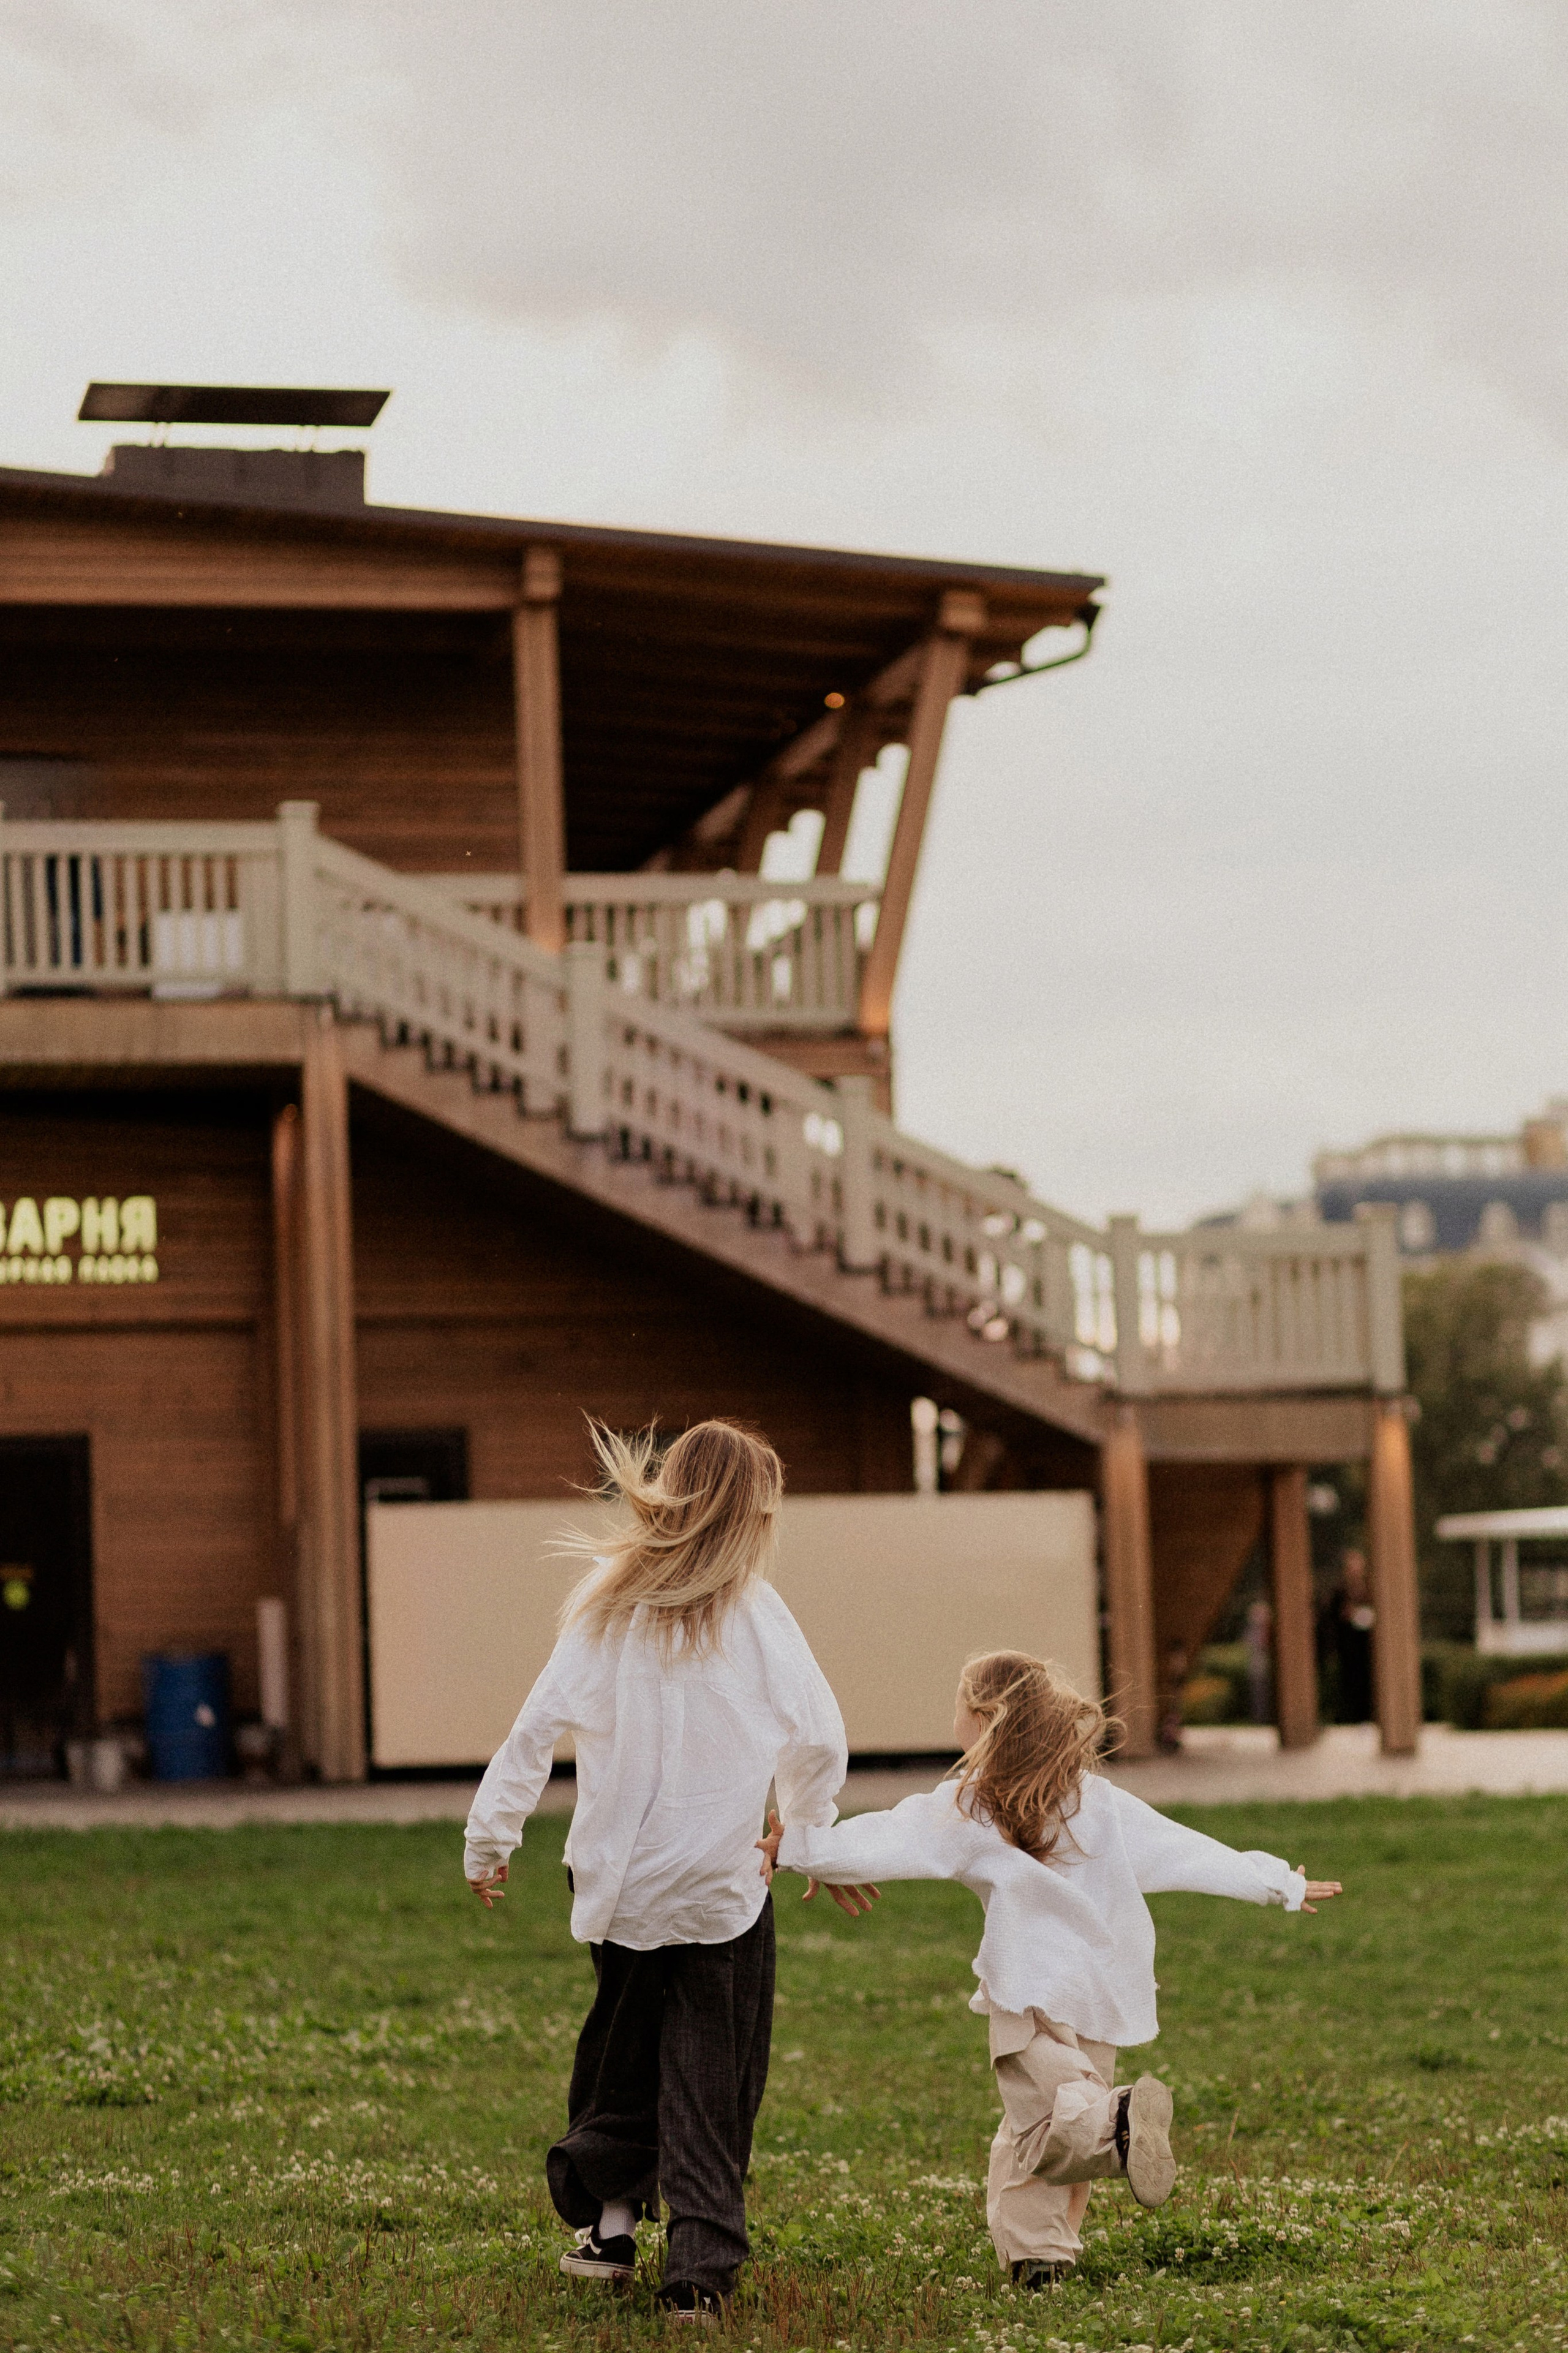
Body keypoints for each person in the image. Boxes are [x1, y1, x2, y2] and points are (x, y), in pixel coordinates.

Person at [758, 1649, 1340, 2289]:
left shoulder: (970, 1805)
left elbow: (887, 1839)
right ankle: (1043, 2259)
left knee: (1049, 2127)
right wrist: (1276, 1882)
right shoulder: (1100, 1802)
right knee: (1035, 2130)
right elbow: (1186, 1851)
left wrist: (799, 1848)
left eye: (958, 1707)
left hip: (1030, 1993)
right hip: (1102, 1995)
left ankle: (1119, 2124)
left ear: (982, 1718)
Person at [464, 1420, 868, 2320]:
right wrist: (805, 1833)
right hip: (719, 1886)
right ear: (751, 1515)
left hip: (615, 1883)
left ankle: (609, 2229)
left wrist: (489, 1842)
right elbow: (819, 1738)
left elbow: (534, 1732)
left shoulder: (604, 1603)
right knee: (710, 2072)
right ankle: (698, 2273)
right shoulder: (759, 1614)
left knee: (622, 2047)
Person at [1319, 1547, 1376, 1722]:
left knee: (1368, 1681)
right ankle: (1350, 1716)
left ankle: (1368, 1715)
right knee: (1349, 1681)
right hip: (1348, 1645)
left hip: (1366, 1644)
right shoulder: (1340, 1591)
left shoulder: (1370, 1588)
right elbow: (1330, 1616)